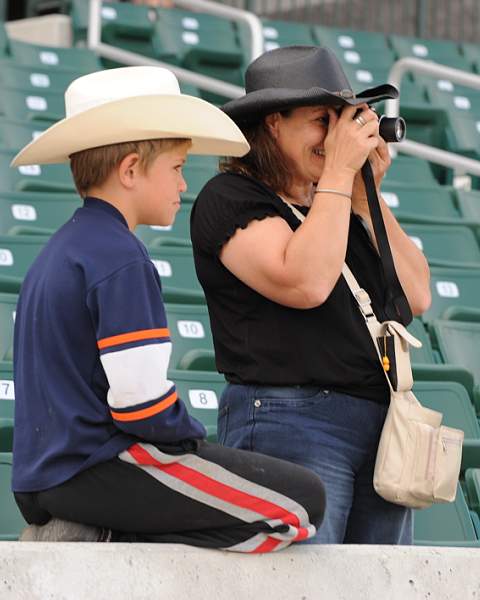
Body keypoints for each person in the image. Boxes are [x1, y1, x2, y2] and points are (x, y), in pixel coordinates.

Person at [11, 65, 325, 550]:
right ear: (131, 169)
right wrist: (194, 440)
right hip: (97, 467)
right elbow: (141, 404)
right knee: (302, 504)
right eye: (177, 169)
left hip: (47, 473)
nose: (183, 186)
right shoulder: (119, 256)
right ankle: (113, 535)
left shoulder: (59, 250)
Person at [190, 46, 431, 545]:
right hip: (290, 418)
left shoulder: (339, 202)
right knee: (303, 585)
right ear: (273, 123)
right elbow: (305, 282)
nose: (337, 137)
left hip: (378, 424)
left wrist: (367, 201)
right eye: (323, 121)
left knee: (380, 587)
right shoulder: (231, 197)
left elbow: (417, 296)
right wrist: (341, 176)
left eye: (345, 121)